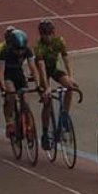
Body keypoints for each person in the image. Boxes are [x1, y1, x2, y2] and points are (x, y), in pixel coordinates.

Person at [34, 19, 81, 148]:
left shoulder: (59, 41)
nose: (47, 36)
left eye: (49, 33)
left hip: (54, 68)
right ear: (41, 34)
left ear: (53, 33)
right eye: (44, 34)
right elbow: (42, 68)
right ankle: (44, 133)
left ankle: (64, 116)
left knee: (70, 87)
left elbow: (66, 59)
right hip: (44, 72)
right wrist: (47, 87)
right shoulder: (38, 47)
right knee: (47, 101)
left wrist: (71, 77)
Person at [0, 26, 41, 138]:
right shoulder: (5, 52)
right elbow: (0, 71)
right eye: (17, 49)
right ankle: (10, 122)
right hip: (8, 75)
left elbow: (33, 68)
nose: (20, 52)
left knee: (25, 101)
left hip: (19, 75)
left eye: (22, 49)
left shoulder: (27, 50)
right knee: (10, 96)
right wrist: (2, 88)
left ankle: (29, 127)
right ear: (11, 46)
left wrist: (38, 85)